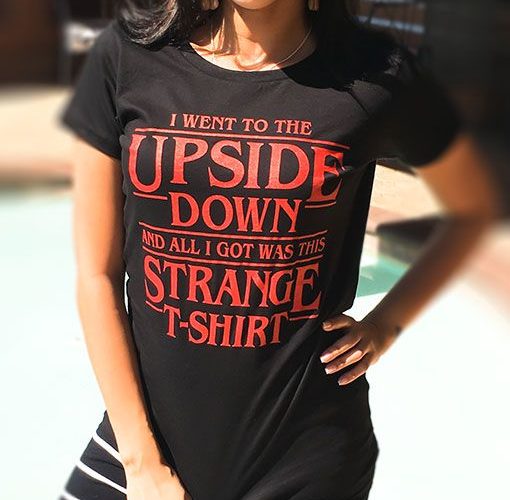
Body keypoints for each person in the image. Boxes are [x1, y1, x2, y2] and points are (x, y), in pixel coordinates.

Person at [58, 1, 500, 499]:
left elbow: (473, 209)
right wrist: (141, 463)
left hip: (303, 461)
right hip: (139, 453)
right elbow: (96, 274)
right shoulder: (128, 57)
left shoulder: (374, 76)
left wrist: (385, 326)